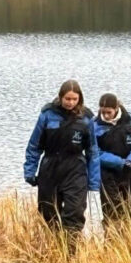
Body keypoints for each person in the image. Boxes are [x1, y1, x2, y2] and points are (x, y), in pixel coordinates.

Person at [23, 79, 100, 237]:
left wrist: (93, 180)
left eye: (74, 99)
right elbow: (34, 145)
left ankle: (70, 254)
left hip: (76, 169)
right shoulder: (47, 115)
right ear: (60, 97)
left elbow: (92, 151)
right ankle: (54, 247)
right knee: (48, 212)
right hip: (50, 167)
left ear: (80, 99)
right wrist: (30, 171)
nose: (70, 102)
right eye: (67, 99)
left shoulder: (86, 118)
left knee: (74, 213)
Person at [93, 92, 131, 223]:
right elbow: (94, 151)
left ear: (116, 108)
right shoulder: (94, 125)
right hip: (107, 173)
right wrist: (118, 162)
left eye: (108, 112)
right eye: (102, 112)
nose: (105, 115)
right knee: (111, 211)